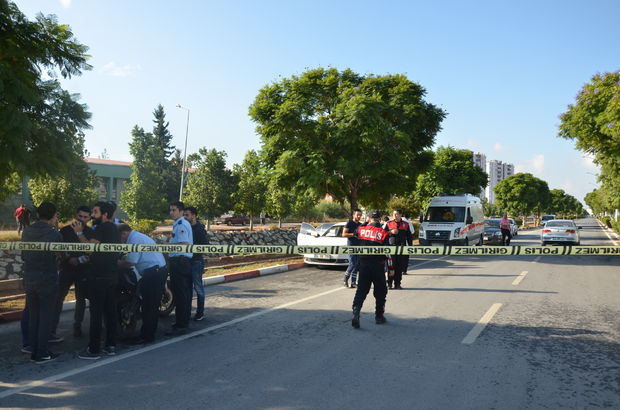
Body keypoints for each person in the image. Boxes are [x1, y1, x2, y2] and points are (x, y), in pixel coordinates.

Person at [72, 201, 121, 360]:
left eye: (95, 212)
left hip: (99, 277)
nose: (92, 215)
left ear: (104, 214)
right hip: (111, 276)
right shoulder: (115, 228)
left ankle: (93, 350)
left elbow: (89, 248)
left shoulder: (102, 228)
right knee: (110, 313)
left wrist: (79, 233)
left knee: (96, 314)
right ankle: (110, 346)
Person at [21, 202, 62, 363]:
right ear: (53, 216)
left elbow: (24, 255)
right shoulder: (54, 234)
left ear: (38, 215)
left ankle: (34, 349)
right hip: (47, 278)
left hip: (30, 277)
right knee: (45, 316)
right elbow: (60, 256)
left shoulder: (26, 231)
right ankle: (42, 353)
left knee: (33, 315)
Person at [118, 224, 168, 344]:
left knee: (149, 306)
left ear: (124, 233)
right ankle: (148, 334)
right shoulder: (137, 236)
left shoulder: (134, 239)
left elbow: (131, 262)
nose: (120, 240)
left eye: (119, 237)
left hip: (154, 273)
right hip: (155, 271)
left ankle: (147, 336)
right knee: (150, 305)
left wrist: (117, 264)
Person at [52, 205, 93, 339]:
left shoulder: (90, 232)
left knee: (80, 300)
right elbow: (59, 248)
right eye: (80, 216)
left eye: (85, 217)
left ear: (89, 218)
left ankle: (77, 326)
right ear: (76, 215)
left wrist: (80, 260)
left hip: (83, 270)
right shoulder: (65, 230)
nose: (82, 219)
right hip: (66, 269)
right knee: (58, 298)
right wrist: (69, 259)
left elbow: (92, 251)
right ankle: (52, 329)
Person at [351, 210, 393, 328]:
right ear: (379, 219)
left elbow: (355, 233)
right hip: (378, 266)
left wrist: (365, 223)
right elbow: (388, 252)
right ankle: (379, 316)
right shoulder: (384, 233)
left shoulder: (361, 229)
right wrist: (391, 267)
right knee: (381, 292)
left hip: (364, 265)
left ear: (368, 218)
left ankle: (356, 313)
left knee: (361, 291)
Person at [167, 201, 194, 335]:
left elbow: (184, 244)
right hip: (180, 262)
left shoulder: (181, 224)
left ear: (181, 211)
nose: (171, 212)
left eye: (174, 210)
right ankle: (181, 322)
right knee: (182, 294)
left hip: (180, 262)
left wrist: (168, 246)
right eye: (170, 210)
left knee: (181, 294)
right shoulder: (179, 223)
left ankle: (182, 325)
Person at [183, 206, 209, 321]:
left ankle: (200, 313)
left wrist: (194, 249)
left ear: (194, 215)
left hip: (196, 262)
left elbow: (205, 245)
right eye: (184, 215)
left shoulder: (199, 229)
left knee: (198, 288)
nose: (185, 217)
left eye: (187, 215)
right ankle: (186, 312)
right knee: (187, 288)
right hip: (186, 262)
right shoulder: (186, 227)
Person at [384, 209, 413, 289]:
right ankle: (389, 283)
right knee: (391, 266)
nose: (395, 216)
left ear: (400, 215)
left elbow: (409, 237)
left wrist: (410, 247)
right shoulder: (389, 223)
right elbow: (383, 234)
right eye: (393, 214)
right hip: (391, 248)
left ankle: (397, 284)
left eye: (396, 214)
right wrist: (391, 232)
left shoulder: (406, 224)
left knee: (399, 267)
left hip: (401, 248)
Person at [342, 209, 363, 288]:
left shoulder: (361, 224)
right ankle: (345, 279)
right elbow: (344, 234)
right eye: (357, 214)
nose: (359, 216)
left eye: (360, 215)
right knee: (352, 263)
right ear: (353, 215)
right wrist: (353, 234)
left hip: (359, 246)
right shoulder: (349, 223)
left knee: (357, 265)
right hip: (351, 246)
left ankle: (353, 282)